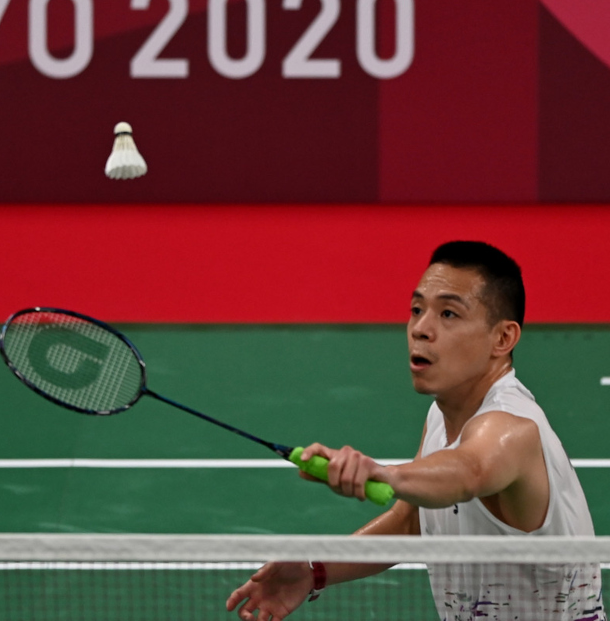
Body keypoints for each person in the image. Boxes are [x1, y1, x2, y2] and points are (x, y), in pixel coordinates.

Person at [226, 241, 604, 621]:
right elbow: (411, 522)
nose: (421, 329)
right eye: (417, 309)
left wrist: (384, 473)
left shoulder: (512, 428)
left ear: (503, 338)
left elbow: (468, 471)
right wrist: (314, 570)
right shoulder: (442, 415)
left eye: (449, 314)